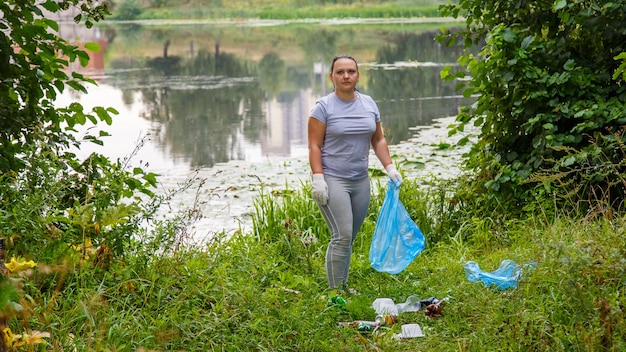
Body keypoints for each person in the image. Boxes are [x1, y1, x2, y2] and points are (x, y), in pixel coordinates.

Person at [307, 54, 402, 290]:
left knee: (348, 237)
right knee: (342, 235)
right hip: (332, 178)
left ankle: (343, 285)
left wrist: (389, 167)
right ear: (332, 77)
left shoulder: (369, 104)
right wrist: (318, 178)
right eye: (340, 72)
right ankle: (335, 293)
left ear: (358, 75)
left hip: (360, 180)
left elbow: (378, 139)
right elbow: (314, 146)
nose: (346, 76)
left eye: (351, 71)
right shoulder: (323, 108)